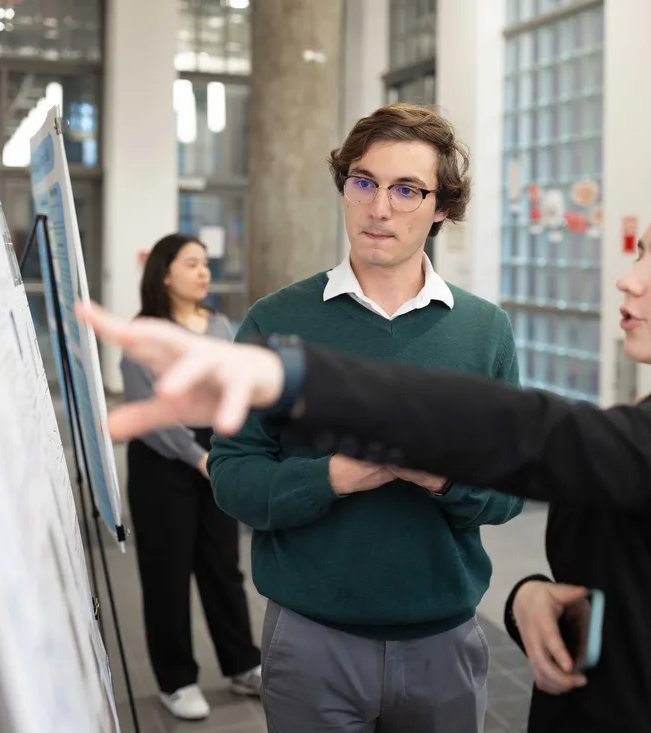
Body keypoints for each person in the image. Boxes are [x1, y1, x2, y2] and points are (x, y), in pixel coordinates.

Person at [81, 183, 651, 733]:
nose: (630, 275)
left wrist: (295, 376)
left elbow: (542, 436)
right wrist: (527, 596)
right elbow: (639, 585)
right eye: (642, 252)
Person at [207, 103, 526, 732]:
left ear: (441, 209)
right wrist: (333, 477)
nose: (379, 208)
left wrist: (440, 476)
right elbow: (231, 477)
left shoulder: (484, 331)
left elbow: (513, 487)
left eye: (407, 190)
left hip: (444, 642)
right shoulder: (276, 322)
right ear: (346, 189)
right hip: (310, 640)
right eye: (364, 182)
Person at [119, 233, 262, 722]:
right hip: (163, 463)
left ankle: (243, 664)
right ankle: (176, 680)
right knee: (167, 575)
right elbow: (152, 412)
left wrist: (226, 452)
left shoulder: (221, 324)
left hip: (215, 453)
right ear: (163, 274)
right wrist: (199, 458)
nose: (204, 272)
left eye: (206, 264)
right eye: (192, 264)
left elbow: (233, 390)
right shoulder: (144, 335)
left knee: (223, 567)